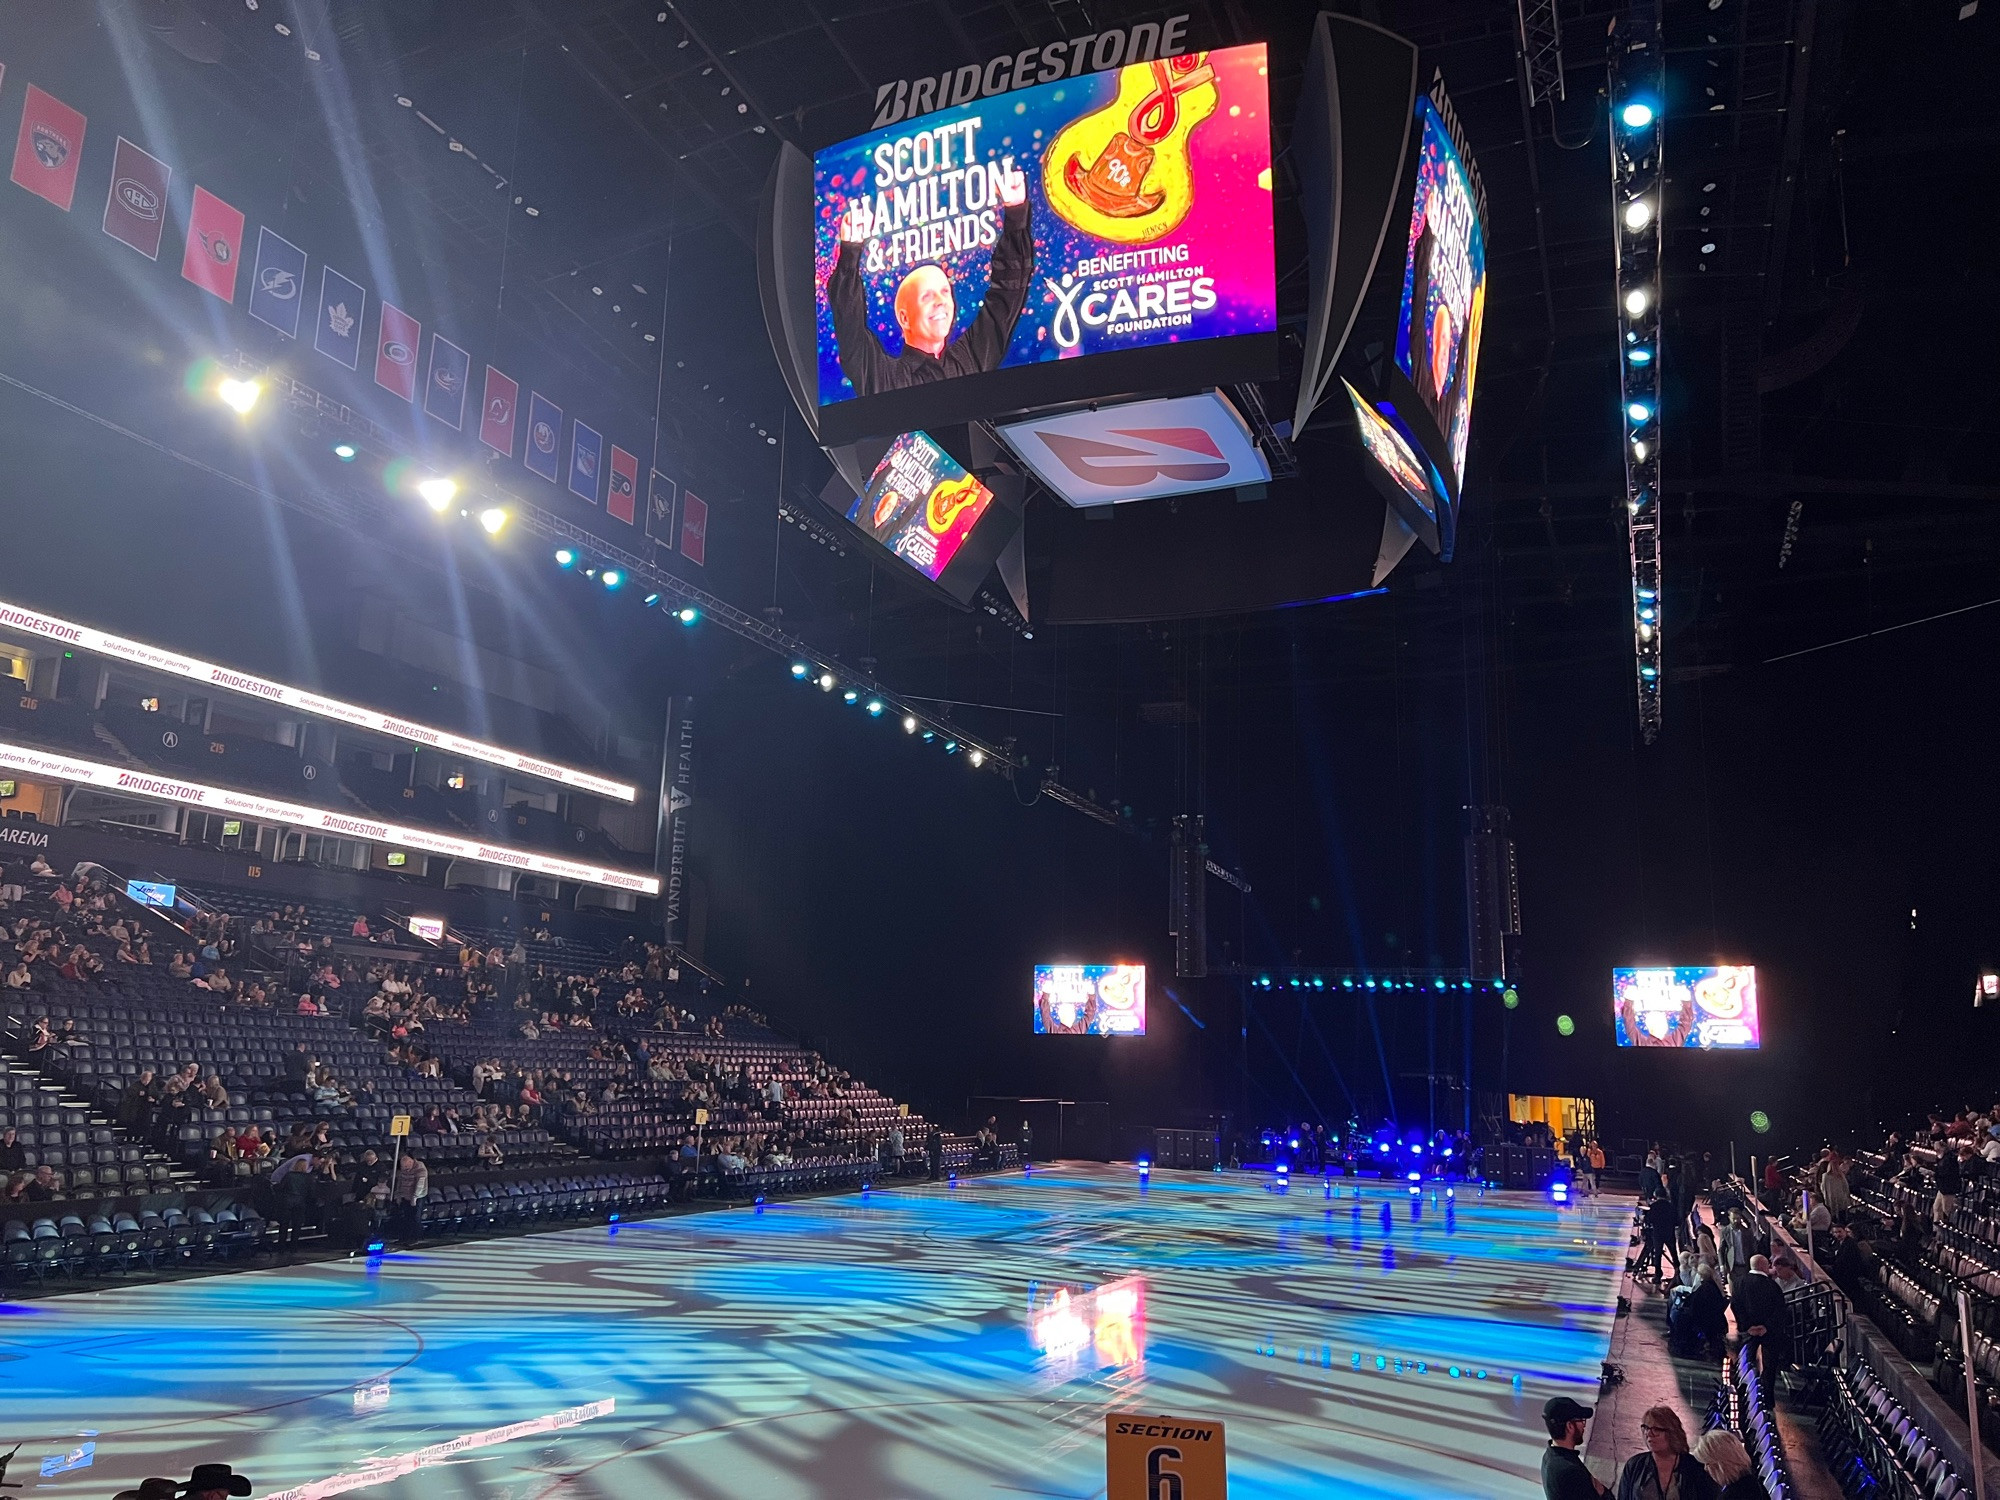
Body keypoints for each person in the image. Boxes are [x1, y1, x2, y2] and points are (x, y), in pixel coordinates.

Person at [827, 160, 1033, 399]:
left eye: (945, 292)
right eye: (927, 296)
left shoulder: (969, 360)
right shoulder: (884, 377)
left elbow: (1006, 297)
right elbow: (849, 326)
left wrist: (1016, 212)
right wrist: (850, 252)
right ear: (904, 317)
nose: (941, 302)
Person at [1616, 1407, 1718, 1500]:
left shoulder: (1695, 1467)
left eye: (1656, 1429)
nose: (1649, 1433)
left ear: (1672, 1433)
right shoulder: (1635, 1465)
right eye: (1646, 1428)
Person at [1730, 1254, 1792, 1378]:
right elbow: (1779, 1310)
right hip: (1769, 1333)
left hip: (1748, 1332)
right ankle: (1767, 1392)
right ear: (1763, 1266)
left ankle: (1745, 1390)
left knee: (1745, 1361)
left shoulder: (1739, 1282)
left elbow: (1735, 1306)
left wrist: (1747, 1326)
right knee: (1769, 1367)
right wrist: (1766, 1327)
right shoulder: (1773, 1286)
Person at [1540, 1395, 1608, 1498]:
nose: (1584, 1425)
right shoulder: (1570, 1471)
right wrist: (1603, 1493)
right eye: (1581, 1420)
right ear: (1570, 1426)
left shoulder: (1548, 1457)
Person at [1688, 1430, 1765, 1500]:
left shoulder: (1732, 1495)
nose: (1706, 1469)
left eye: (1707, 1464)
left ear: (1721, 1465)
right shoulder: (1753, 1483)